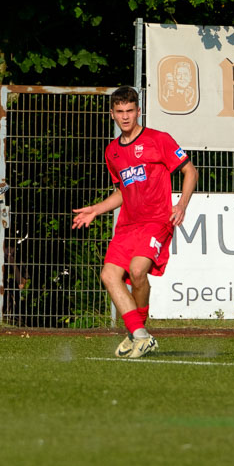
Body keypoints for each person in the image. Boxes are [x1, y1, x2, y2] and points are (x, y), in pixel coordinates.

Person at [72, 85, 198, 358]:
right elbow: (121, 191)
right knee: (108, 275)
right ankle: (139, 335)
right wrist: (96, 210)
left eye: (130, 111)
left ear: (138, 111)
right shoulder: (112, 152)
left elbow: (190, 171)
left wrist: (181, 204)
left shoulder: (159, 139)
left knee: (138, 271)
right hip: (128, 225)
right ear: (112, 115)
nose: (125, 117)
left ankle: (139, 334)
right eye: (120, 112)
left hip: (156, 221)